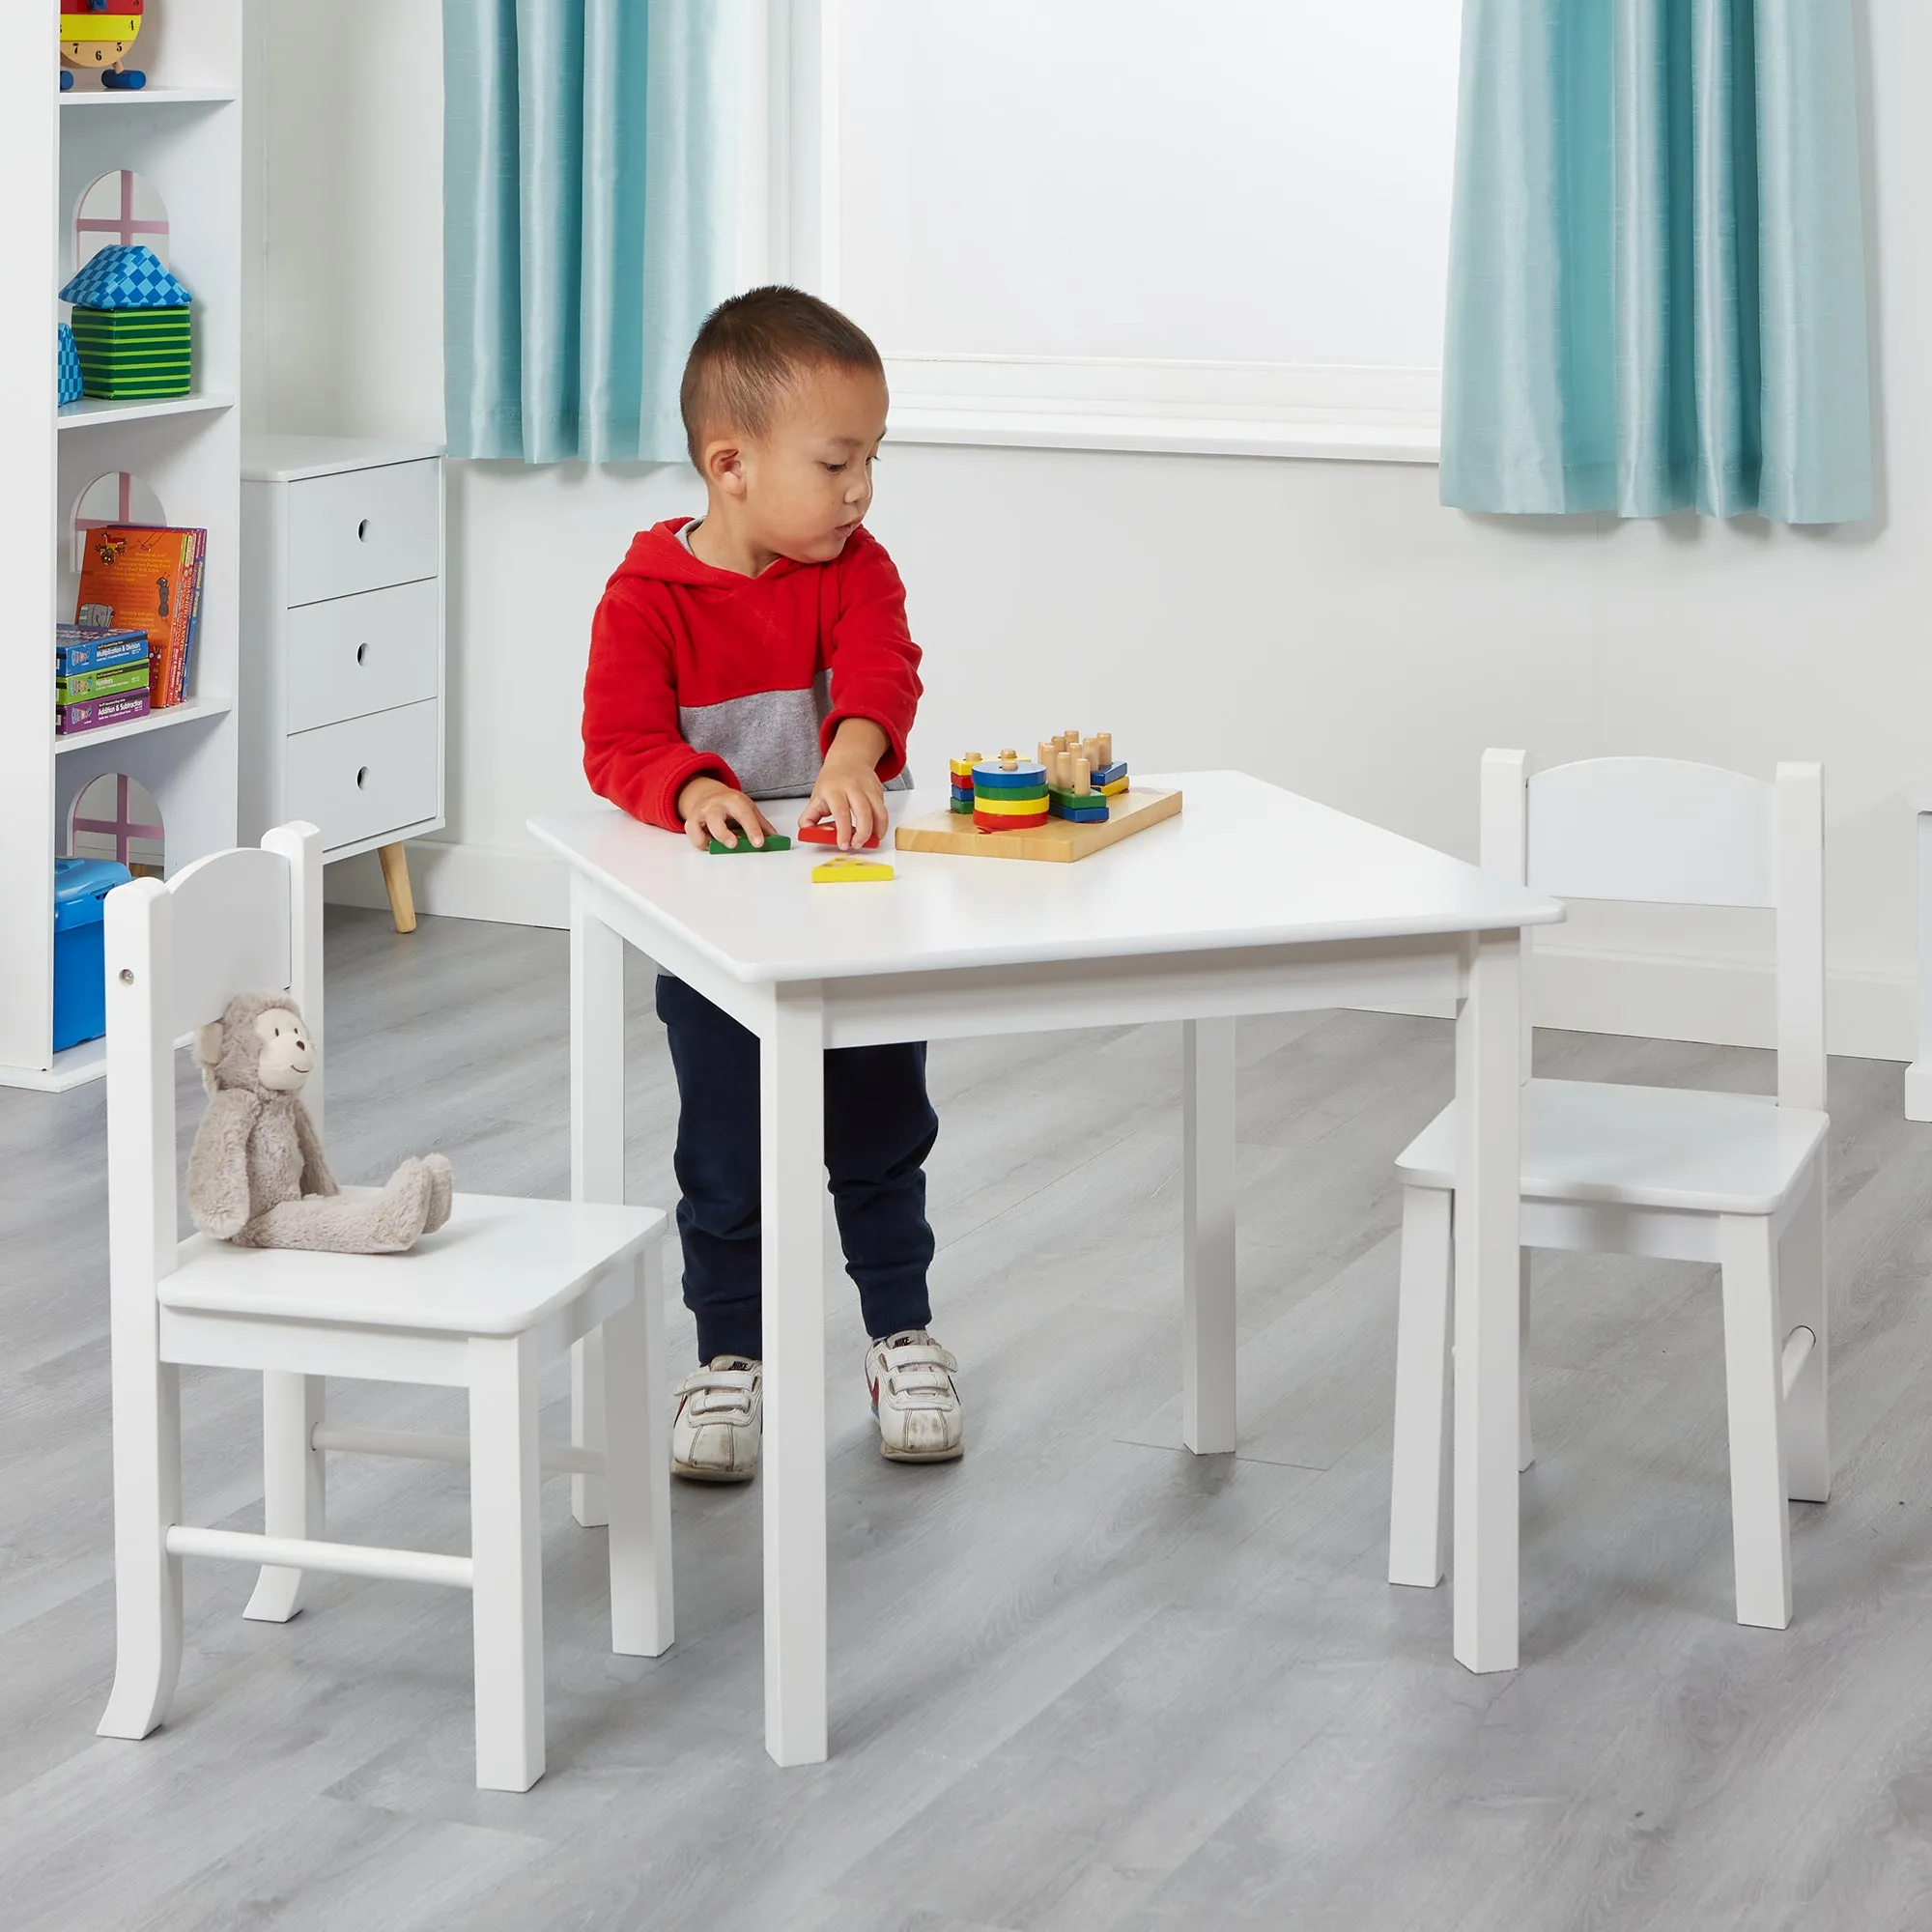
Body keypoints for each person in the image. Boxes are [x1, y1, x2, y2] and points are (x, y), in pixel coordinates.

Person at [582, 285, 962, 1482]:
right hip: (718, 934)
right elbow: (616, 740)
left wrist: (853, 750)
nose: (860, 492)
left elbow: (881, 669)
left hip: (853, 920)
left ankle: (900, 1332)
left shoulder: (854, 570)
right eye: (838, 462)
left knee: (882, 1128)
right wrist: (691, 787)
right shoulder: (645, 600)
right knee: (724, 1147)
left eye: (873, 462)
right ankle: (728, 1356)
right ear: (730, 463)